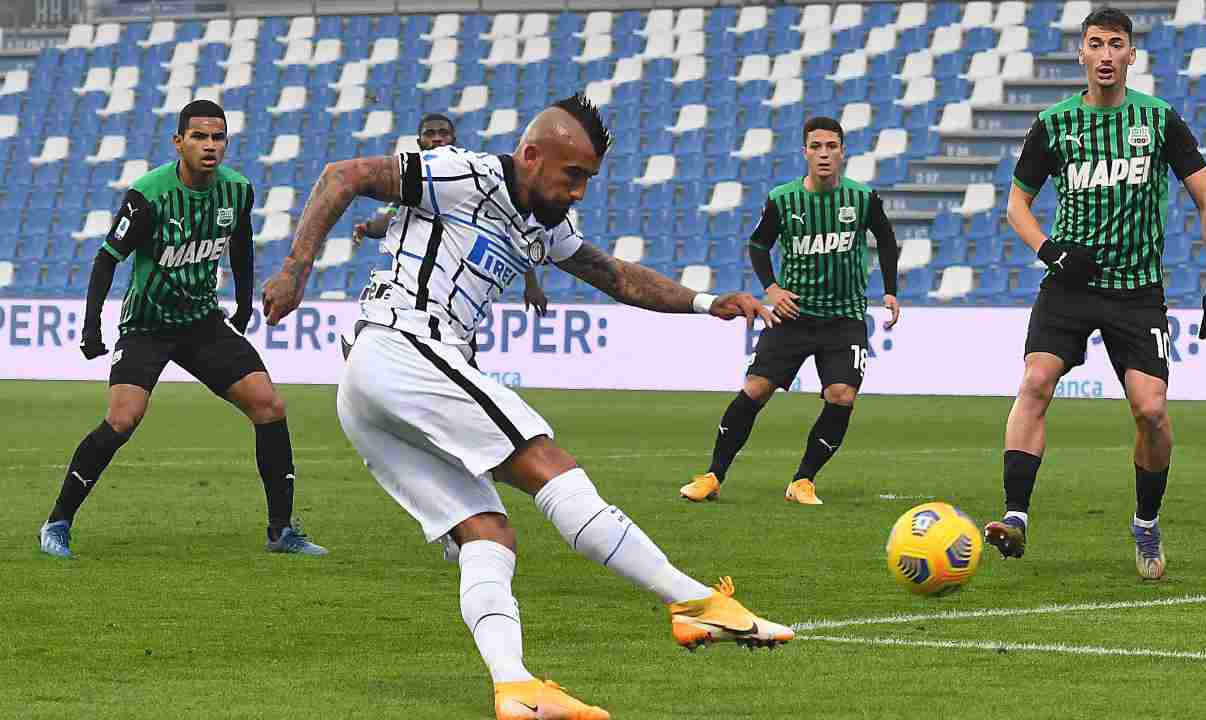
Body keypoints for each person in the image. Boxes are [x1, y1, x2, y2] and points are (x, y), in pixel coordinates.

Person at [261, 93, 792, 719]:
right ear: (533, 155)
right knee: (547, 463)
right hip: (405, 346)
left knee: (488, 533)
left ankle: (515, 688)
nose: (579, 193)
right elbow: (342, 175)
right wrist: (296, 270)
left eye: (589, 179)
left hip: (372, 388)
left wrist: (707, 303)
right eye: (574, 176)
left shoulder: (544, 222)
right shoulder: (463, 174)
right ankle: (692, 600)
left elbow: (616, 276)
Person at [982, 7, 1206, 580]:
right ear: (1081, 54)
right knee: (1035, 380)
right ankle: (1015, 515)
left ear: (1130, 56)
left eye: (1115, 44)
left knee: (1152, 412)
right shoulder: (1055, 124)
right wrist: (1051, 252)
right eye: (1094, 43)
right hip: (1069, 283)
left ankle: (1146, 522)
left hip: (1136, 292)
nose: (1104, 54)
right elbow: (1016, 205)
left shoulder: (1158, 120)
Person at [38, 100, 327, 558]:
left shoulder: (238, 190)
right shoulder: (149, 195)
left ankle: (281, 532)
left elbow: (241, 247)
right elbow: (106, 258)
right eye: (199, 137)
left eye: (218, 138)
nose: (209, 146)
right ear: (179, 142)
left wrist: (245, 303)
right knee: (122, 419)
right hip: (147, 326)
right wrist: (92, 328)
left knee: (269, 406)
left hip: (201, 324)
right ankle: (58, 522)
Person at [681, 116, 901, 506]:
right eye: (816, 146)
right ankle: (713, 475)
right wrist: (772, 289)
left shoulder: (862, 198)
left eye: (831, 146)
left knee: (842, 395)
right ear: (804, 152)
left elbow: (885, 239)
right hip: (792, 314)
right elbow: (759, 245)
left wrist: (890, 291)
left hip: (844, 317)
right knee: (756, 389)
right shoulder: (783, 199)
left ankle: (803, 480)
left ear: (842, 152)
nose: (824, 154)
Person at [352, 112, 548, 316]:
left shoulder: (472, 179)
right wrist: (367, 228)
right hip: (417, 296)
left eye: (443, 133)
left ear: (454, 139)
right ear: (419, 142)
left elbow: (512, 230)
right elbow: (390, 218)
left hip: (458, 295)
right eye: (430, 133)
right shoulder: (414, 183)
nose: (437, 138)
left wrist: (531, 283)